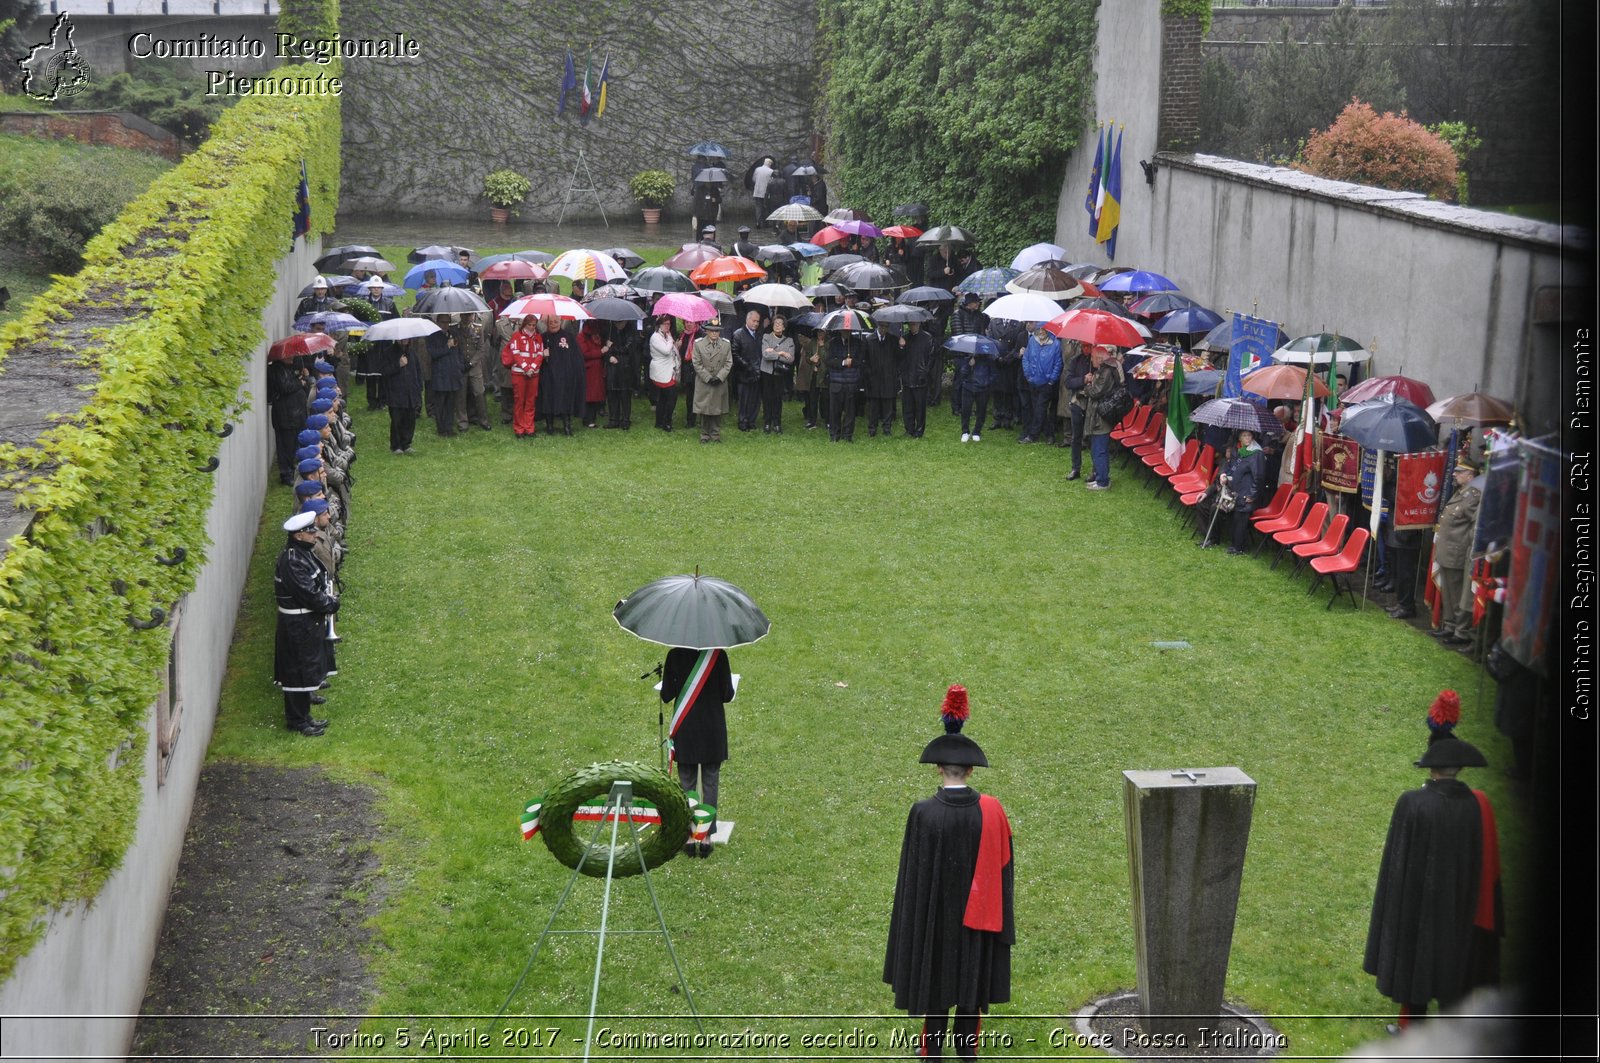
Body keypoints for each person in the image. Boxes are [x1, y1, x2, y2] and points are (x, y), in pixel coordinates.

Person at [885, 685, 1014, 1061]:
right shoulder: (991, 811)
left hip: (935, 922)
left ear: (939, 768)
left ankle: (931, 1052)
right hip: (977, 924)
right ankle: (966, 1053)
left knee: (937, 987)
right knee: (970, 990)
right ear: (970, 770)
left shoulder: (922, 812)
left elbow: (912, 877)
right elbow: (1004, 875)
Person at [1365, 692, 1502, 1031]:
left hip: (1417, 904)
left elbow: (1396, 866)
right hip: (1457, 904)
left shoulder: (1413, 804)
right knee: (1451, 964)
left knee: (1417, 966)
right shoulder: (1475, 805)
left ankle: (1414, 1029)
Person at [660, 645, 736, 858]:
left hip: (687, 728)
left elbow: (667, 695)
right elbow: (727, 694)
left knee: (687, 782)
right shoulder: (718, 655)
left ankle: (689, 835)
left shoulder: (674, 655)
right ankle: (706, 837)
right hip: (712, 728)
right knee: (710, 782)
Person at [273, 511, 339, 736]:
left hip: (305, 621)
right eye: (310, 531)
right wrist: (329, 604)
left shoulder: (302, 553)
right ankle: (297, 720)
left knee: (306, 667)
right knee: (297, 671)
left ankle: (305, 714)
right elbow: (307, 593)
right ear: (298, 536)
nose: (314, 534)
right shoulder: (293, 561)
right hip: (297, 624)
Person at [1431, 456, 1483, 646]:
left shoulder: (1473, 497)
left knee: (1459, 595)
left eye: (1459, 472)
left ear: (1470, 475)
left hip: (1458, 551)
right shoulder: (1461, 492)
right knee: (1449, 592)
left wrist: (1466, 546)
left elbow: (1474, 526)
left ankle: (1460, 632)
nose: (1454, 474)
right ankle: (1450, 626)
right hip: (1448, 550)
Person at [1201, 429, 1266, 554]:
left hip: (1247, 494)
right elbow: (1232, 468)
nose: (1247, 438)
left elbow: (1259, 477)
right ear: (1240, 439)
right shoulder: (1240, 452)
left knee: (1240, 516)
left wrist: (1252, 495)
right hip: (1234, 492)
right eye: (1244, 436)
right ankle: (1214, 538)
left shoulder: (1257, 453)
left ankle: (1238, 547)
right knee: (1217, 508)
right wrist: (1225, 475)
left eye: (1249, 435)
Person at [1080, 345, 1125, 490]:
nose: (1091, 359)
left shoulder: (1106, 370)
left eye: (1093, 357)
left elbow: (1095, 392)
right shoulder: (1106, 368)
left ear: (1100, 357)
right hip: (1100, 415)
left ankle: (1102, 482)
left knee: (1099, 449)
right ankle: (1100, 477)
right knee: (1097, 448)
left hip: (1101, 417)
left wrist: (1088, 386)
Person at [540, 316, 585, 436]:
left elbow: (576, 356)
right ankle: (549, 425)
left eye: (556, 322)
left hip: (565, 374)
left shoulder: (568, 337)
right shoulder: (543, 337)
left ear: (560, 322)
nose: (553, 324)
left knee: (565, 400)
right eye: (550, 322)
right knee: (548, 399)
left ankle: (567, 425)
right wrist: (543, 355)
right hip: (548, 374)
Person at [501, 316, 544, 438]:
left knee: (531, 401)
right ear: (524, 324)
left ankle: (529, 427)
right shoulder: (516, 336)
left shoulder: (538, 338)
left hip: (533, 374)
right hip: (519, 373)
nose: (531, 327)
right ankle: (519, 428)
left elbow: (540, 354)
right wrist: (526, 368)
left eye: (534, 325)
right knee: (519, 400)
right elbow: (516, 354)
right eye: (529, 325)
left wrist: (533, 368)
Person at [692, 319, 733, 442]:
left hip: (719, 381)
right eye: (712, 331)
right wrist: (708, 378)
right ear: (706, 331)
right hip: (704, 381)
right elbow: (696, 363)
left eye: (717, 331)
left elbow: (728, 362)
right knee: (704, 409)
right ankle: (704, 434)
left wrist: (720, 377)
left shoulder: (726, 344)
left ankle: (715, 434)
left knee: (717, 409)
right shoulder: (698, 344)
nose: (715, 333)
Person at [1019, 325, 1061, 444]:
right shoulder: (1032, 341)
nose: (1042, 332)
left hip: (1047, 383)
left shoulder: (1055, 344)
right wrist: (1028, 375)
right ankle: (1049, 434)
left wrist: (1052, 379)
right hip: (1033, 381)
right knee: (1038, 409)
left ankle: (1033, 435)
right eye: (1040, 329)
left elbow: (1058, 363)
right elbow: (1026, 358)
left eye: (1044, 330)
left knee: (1040, 408)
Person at [426, 316, 464, 436]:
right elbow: (433, 354)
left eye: (448, 322)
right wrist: (447, 346)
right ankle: (441, 429)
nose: (445, 325)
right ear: (437, 322)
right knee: (440, 403)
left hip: (452, 374)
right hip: (440, 375)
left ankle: (449, 428)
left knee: (450, 403)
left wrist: (460, 366)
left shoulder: (453, 334)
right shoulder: (432, 336)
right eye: (443, 322)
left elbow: (458, 352)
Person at [1058, 341, 1092, 474]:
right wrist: (1083, 380)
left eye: (1088, 346)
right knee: (1076, 437)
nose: (1086, 349)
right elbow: (1068, 382)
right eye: (1084, 346)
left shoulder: (1097, 363)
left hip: (1092, 405)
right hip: (1077, 402)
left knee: (1093, 439)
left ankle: (1095, 470)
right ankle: (1075, 467)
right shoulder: (1075, 361)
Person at [759, 315, 796, 432]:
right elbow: (765, 355)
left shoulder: (789, 341)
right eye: (776, 323)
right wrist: (781, 353)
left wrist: (773, 353)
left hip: (780, 373)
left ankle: (777, 423)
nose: (778, 325)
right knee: (767, 398)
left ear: (784, 327)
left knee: (777, 399)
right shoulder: (766, 337)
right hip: (767, 372)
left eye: (780, 324)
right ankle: (767, 422)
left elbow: (790, 359)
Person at [863, 320, 900, 437]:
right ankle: (872, 429)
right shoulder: (869, 340)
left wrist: (902, 347)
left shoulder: (893, 340)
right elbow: (864, 359)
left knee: (888, 405)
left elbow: (899, 357)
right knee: (874, 406)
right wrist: (869, 373)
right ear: (877, 326)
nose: (884, 329)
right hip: (874, 377)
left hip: (888, 377)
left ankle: (887, 428)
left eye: (886, 327)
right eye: (882, 327)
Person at [899, 319, 934, 438]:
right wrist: (901, 347)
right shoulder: (905, 338)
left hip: (920, 377)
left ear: (919, 324)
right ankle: (909, 429)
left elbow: (930, 357)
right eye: (910, 324)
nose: (912, 326)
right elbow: (900, 358)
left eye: (914, 324)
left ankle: (919, 430)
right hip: (907, 376)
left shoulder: (927, 337)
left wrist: (925, 372)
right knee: (907, 406)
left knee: (920, 407)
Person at [730, 310, 764, 432]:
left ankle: (751, 421)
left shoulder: (758, 335)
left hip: (757, 372)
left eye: (758, 321)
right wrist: (747, 366)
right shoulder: (738, 334)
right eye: (754, 321)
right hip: (743, 373)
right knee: (744, 399)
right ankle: (743, 421)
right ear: (747, 320)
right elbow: (734, 354)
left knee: (755, 399)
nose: (756, 324)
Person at [826, 328, 862, 442]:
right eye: (844, 330)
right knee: (834, 411)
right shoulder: (833, 343)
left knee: (850, 412)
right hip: (836, 382)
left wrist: (852, 361)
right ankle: (834, 435)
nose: (846, 332)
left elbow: (860, 360)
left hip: (851, 382)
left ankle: (847, 435)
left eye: (848, 330)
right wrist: (843, 362)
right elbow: (829, 361)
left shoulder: (858, 343)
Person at [648, 316, 681, 431]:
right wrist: (671, 340)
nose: (667, 326)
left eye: (669, 324)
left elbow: (672, 351)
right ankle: (667, 423)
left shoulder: (665, 335)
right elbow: (666, 351)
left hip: (668, 370)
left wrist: (676, 346)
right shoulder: (656, 337)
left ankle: (659, 421)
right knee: (671, 397)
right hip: (662, 372)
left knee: (663, 398)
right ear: (659, 325)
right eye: (665, 324)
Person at [603, 321, 638, 429]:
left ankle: (626, 419)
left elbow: (627, 349)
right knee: (612, 393)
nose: (619, 324)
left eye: (621, 322)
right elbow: (604, 349)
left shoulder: (631, 331)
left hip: (625, 366)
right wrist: (608, 356)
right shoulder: (609, 330)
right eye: (617, 322)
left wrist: (611, 346)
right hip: (612, 367)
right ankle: (613, 419)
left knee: (625, 393)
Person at [579, 321, 606, 427]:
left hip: (597, 369)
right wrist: (601, 352)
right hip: (589, 369)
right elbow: (584, 353)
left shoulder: (597, 335)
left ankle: (592, 419)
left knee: (595, 395)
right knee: (589, 396)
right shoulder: (581, 337)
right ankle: (587, 419)